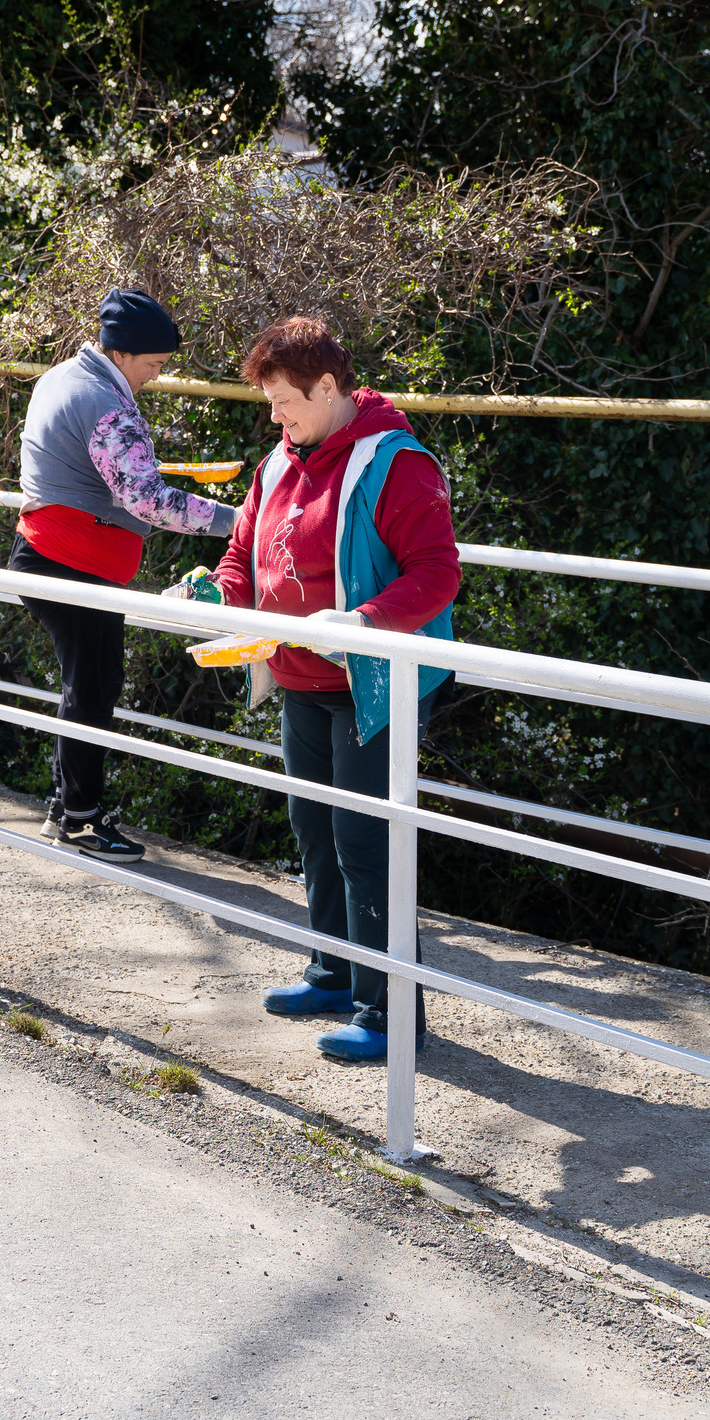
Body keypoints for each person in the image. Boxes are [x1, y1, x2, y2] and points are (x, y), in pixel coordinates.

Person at [207, 317, 461, 1063]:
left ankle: (390, 1011)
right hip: (299, 677)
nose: (276, 417)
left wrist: (358, 622)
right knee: (313, 828)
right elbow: (240, 553)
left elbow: (437, 576)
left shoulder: (399, 464)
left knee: (366, 843)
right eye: (270, 403)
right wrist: (217, 596)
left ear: (328, 389)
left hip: (371, 685)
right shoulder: (277, 462)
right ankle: (332, 970)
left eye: (285, 401)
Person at [11, 288, 236, 862]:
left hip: (44, 550)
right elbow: (146, 500)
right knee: (93, 688)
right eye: (156, 365)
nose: (156, 377)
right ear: (126, 353)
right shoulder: (106, 405)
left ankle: (67, 808)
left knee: (85, 684)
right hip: (73, 562)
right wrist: (239, 522)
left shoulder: (60, 377)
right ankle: (82, 821)